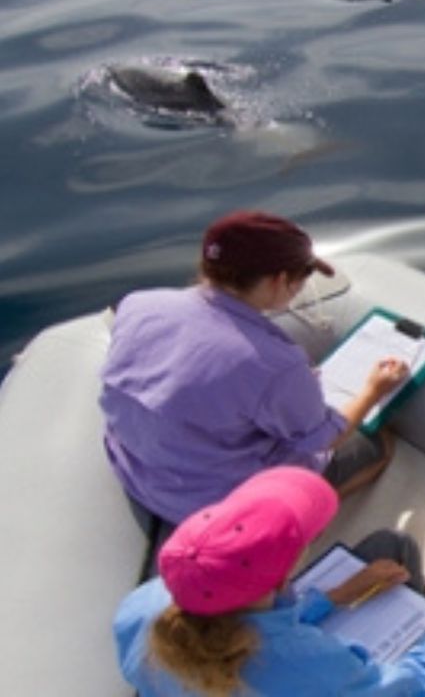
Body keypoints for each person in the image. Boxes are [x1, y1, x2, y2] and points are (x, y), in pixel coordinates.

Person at [101, 210, 408, 533]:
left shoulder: (139, 305)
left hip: (141, 473)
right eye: (302, 277)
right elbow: (326, 440)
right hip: (212, 504)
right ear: (279, 280)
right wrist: (373, 390)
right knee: (374, 446)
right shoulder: (275, 363)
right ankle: (290, 520)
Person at [114, 466, 425, 696]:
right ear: (281, 574)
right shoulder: (298, 661)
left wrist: (332, 598)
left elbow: (250, 626)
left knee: (391, 545)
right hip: (343, 684)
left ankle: (422, 613)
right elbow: (412, 691)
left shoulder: (140, 607)